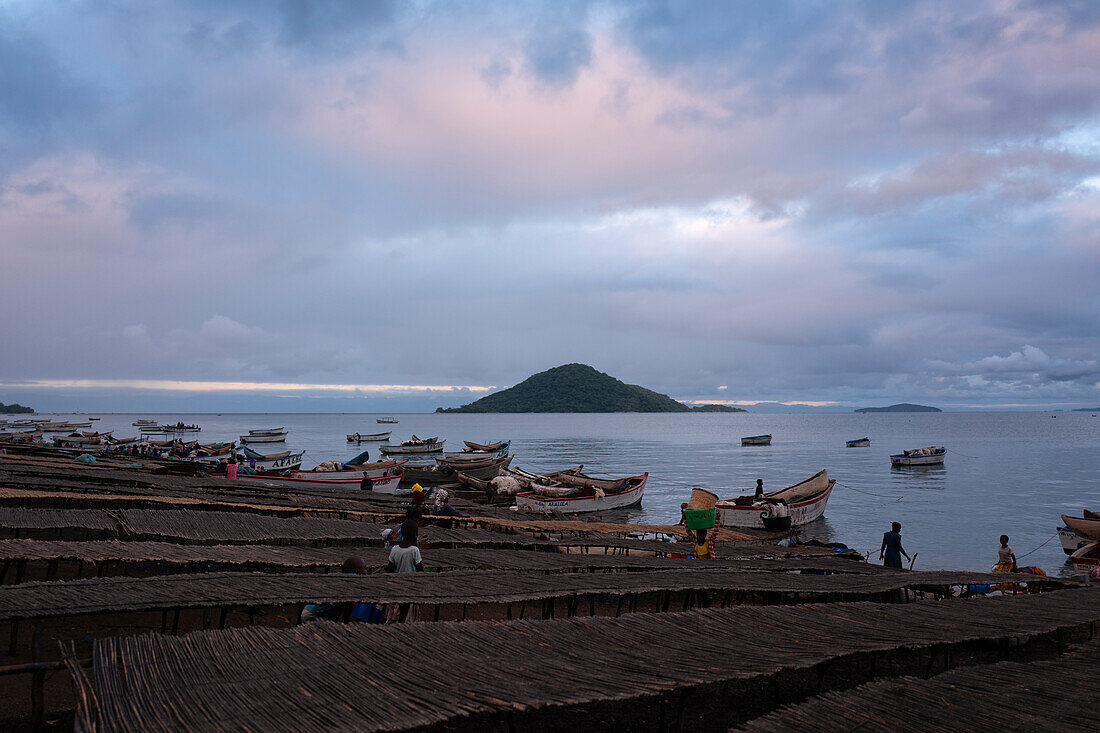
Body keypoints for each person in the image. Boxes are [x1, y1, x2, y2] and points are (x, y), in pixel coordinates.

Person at [301, 556, 369, 622]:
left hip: (311, 611)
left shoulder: (343, 578)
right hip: (314, 614)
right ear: (358, 570)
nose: (367, 572)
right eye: (365, 569)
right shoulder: (353, 580)